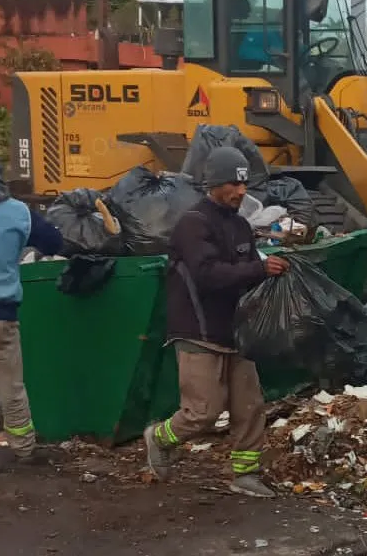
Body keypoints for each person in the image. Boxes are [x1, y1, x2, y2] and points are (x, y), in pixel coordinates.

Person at [144, 146, 290, 497]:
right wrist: (258, 268)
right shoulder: (193, 225)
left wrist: (273, 270)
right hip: (198, 331)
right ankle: (159, 438)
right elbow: (208, 275)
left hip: (237, 331)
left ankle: (246, 474)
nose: (240, 192)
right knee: (202, 413)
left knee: (249, 407)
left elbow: (248, 270)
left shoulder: (240, 225)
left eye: (243, 185)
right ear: (213, 184)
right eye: (232, 185)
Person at [0, 145, 63, 462]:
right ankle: (24, 450)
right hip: (1, 316)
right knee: (12, 389)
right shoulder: (18, 212)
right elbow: (54, 242)